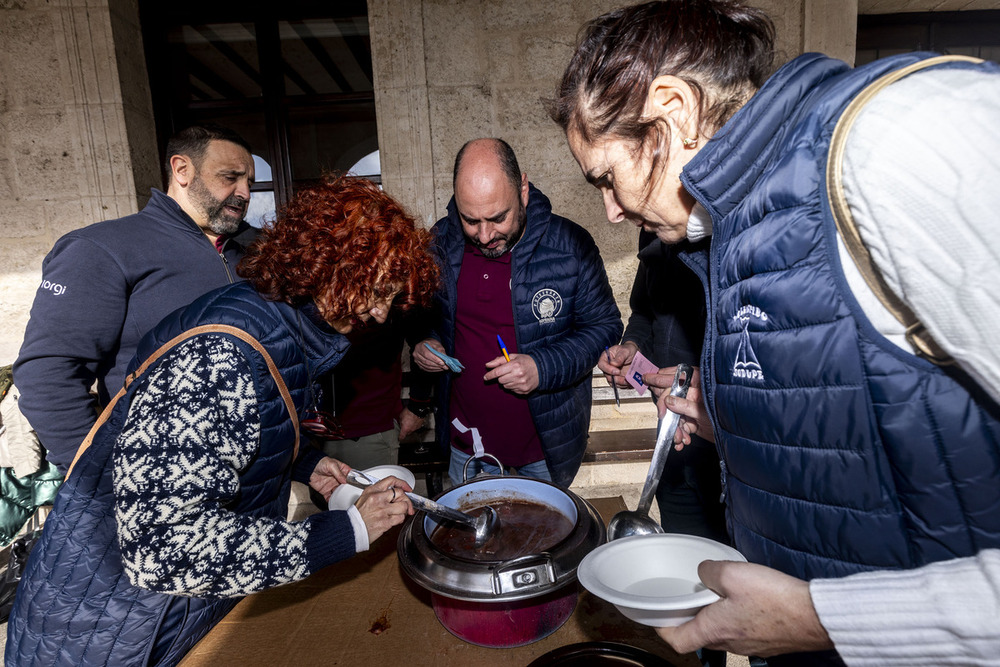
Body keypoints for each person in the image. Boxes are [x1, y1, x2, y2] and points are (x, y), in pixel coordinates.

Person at [552, 1, 1000, 665]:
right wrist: (728, 419)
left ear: (672, 111)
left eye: (606, 178)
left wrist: (827, 618)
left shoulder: (898, 139)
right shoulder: (730, 231)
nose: (612, 211)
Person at [5, 174, 440, 666]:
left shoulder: (273, 325)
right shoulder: (221, 356)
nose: (382, 314)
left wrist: (302, 464)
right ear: (330, 266)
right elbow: (164, 547)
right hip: (110, 631)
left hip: (152, 618)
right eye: (377, 291)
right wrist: (346, 532)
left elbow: (224, 437)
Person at [14, 123, 259, 475]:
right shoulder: (102, 248)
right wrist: (100, 475)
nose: (244, 192)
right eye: (230, 177)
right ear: (182, 170)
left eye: (248, 181)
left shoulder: (255, 250)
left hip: (259, 479)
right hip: (162, 481)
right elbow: (47, 374)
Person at [412, 138, 622, 488]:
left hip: (543, 450)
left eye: (498, 218)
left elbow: (604, 326)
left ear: (522, 189)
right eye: (470, 220)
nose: (484, 235)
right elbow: (423, 318)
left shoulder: (570, 245)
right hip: (468, 448)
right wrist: (424, 342)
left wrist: (543, 367)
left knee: (544, 541)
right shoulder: (439, 242)